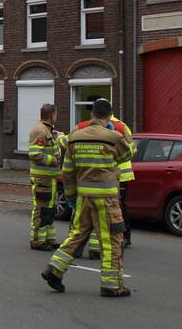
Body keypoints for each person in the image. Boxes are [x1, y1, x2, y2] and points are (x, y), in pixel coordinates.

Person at [42, 97, 133, 298]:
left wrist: (72, 198)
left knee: (77, 235)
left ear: (91, 115)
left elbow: (67, 172)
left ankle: (54, 269)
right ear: (109, 116)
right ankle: (111, 285)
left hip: (84, 198)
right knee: (111, 239)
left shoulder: (75, 137)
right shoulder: (113, 137)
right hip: (107, 199)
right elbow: (127, 155)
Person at [72, 101, 135, 257]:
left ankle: (76, 248)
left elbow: (68, 145)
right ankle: (120, 240)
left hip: (86, 179)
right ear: (110, 112)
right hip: (113, 177)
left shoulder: (82, 126)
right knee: (115, 213)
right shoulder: (121, 126)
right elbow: (130, 150)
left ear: (92, 113)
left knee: (83, 220)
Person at [27, 103, 61, 250]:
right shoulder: (40, 131)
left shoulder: (47, 130)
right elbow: (35, 154)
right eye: (56, 114)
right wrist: (54, 160)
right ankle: (37, 240)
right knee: (40, 209)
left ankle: (49, 238)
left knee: (49, 209)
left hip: (49, 178)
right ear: (51, 115)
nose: (57, 117)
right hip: (42, 178)